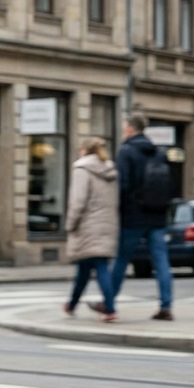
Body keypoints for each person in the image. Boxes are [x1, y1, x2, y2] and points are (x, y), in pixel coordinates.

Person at [102, 114, 174, 320]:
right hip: (158, 215)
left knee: (121, 260)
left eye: (125, 126)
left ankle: (109, 303)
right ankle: (166, 306)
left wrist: (118, 211)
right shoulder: (159, 152)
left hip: (133, 216)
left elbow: (122, 186)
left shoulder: (127, 151)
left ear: (130, 129)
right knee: (161, 261)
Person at [63, 137, 119, 322]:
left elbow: (77, 201)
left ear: (85, 151)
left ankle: (110, 309)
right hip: (107, 225)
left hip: (87, 226)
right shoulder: (110, 170)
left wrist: (70, 224)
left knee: (98, 266)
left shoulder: (82, 170)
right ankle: (71, 305)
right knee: (85, 269)